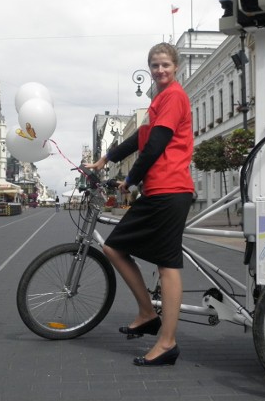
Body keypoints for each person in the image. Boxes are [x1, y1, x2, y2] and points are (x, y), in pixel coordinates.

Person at [85, 42, 194, 367]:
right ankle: (148, 313)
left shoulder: (174, 96)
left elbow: (157, 144)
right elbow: (139, 139)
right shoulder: (159, 100)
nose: (160, 70)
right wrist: (106, 157)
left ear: (175, 67)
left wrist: (130, 180)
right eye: (155, 66)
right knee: (118, 248)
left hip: (170, 189)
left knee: (166, 264)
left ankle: (166, 341)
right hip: (160, 190)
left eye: (165, 65)